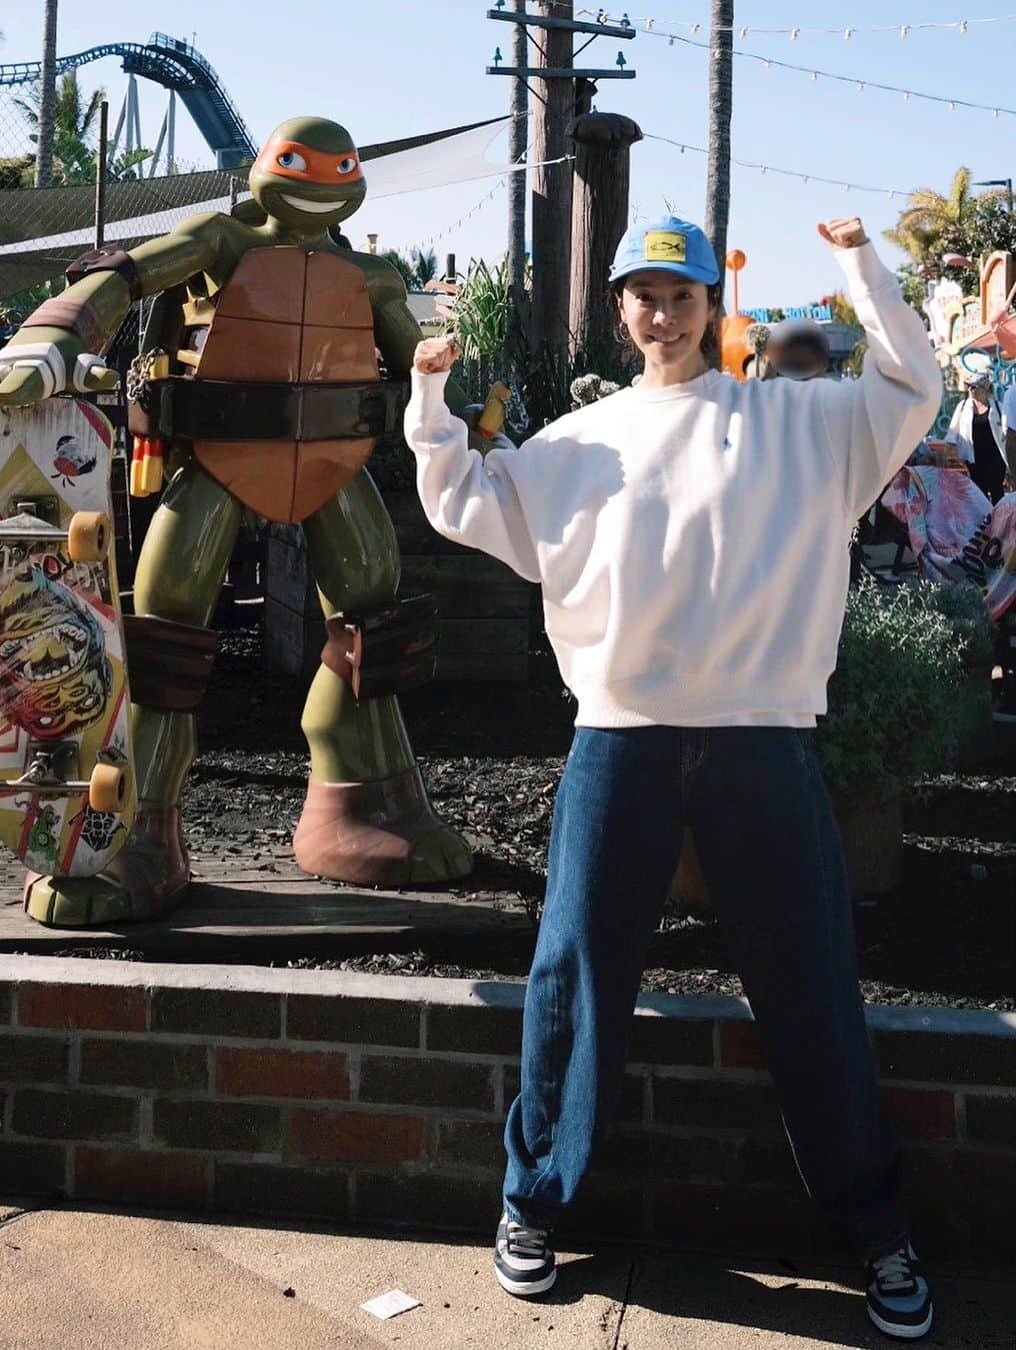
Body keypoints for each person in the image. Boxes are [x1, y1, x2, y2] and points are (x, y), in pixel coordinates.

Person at [404, 214, 941, 1342]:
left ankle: (877, 1229)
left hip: (763, 740)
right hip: (623, 736)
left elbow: (913, 379)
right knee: (576, 976)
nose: (662, 312)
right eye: (642, 293)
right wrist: (428, 401)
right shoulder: (580, 441)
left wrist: (858, 265)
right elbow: (466, 499)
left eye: (681, 291)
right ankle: (533, 1202)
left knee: (811, 983)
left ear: (710, 304)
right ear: (620, 309)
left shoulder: (802, 424)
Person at [945, 372, 1007, 503]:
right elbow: (952, 433)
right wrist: (953, 454)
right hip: (974, 460)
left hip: (995, 460)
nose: (969, 389)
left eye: (973, 386)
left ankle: (1000, 522)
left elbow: (1007, 433)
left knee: (997, 494)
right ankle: (984, 523)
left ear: (983, 388)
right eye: (968, 386)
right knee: (979, 497)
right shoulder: (962, 407)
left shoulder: (997, 407)